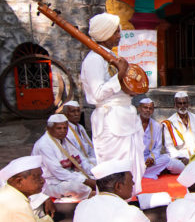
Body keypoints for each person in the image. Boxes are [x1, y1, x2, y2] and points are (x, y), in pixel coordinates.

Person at [80, 12, 145, 196]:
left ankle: (130, 199)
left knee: (133, 164)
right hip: (110, 122)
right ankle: (114, 202)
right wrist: (119, 76)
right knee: (115, 169)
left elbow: (119, 86)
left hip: (126, 118)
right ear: (104, 34)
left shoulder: (108, 56)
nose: (119, 36)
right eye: (116, 32)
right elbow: (97, 94)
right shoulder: (93, 60)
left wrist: (129, 87)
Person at [32, 114, 96, 201]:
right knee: (74, 187)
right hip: (52, 182)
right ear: (49, 128)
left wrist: (92, 173)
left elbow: (81, 160)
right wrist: (85, 181)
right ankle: (90, 195)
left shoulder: (66, 140)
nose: (63, 131)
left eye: (65, 128)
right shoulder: (44, 145)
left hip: (71, 175)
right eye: (59, 128)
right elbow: (57, 171)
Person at [161, 91, 195, 174]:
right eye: (179, 103)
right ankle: (194, 171)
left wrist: (194, 157)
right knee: (170, 163)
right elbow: (169, 147)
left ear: (188, 104)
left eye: (184, 103)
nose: (182, 106)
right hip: (180, 159)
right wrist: (182, 158)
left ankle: (191, 170)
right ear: (175, 105)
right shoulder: (169, 123)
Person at [138, 98, 172, 179]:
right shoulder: (132, 122)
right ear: (139, 108)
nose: (148, 110)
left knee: (166, 158)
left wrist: (151, 158)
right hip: (135, 158)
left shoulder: (156, 126)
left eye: (150, 108)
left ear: (153, 111)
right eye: (145, 108)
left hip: (148, 158)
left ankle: (143, 173)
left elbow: (158, 147)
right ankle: (145, 172)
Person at [62, 100, 97, 169]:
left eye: (78, 111)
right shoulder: (66, 130)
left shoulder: (80, 127)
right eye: (73, 111)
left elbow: (90, 147)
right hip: (81, 163)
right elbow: (75, 154)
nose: (76, 114)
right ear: (65, 114)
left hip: (89, 159)